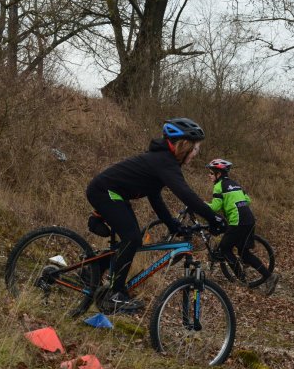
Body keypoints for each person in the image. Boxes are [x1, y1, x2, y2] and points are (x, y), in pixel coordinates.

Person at [86, 118, 227, 313]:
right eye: (195, 148)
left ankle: (91, 270)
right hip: (104, 191)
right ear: (184, 145)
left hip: (114, 193)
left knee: (131, 240)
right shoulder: (164, 162)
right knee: (132, 238)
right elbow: (185, 194)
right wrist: (213, 218)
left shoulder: (163, 161)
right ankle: (114, 295)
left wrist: (172, 225)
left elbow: (155, 197)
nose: (196, 154)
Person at [205, 158, 280, 295]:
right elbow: (248, 200)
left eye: (211, 173)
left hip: (237, 221)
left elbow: (215, 207)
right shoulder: (235, 184)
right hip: (249, 219)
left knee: (225, 249)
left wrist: (200, 204)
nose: (209, 175)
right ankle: (270, 276)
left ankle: (242, 280)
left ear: (219, 174)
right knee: (244, 253)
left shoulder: (219, 186)